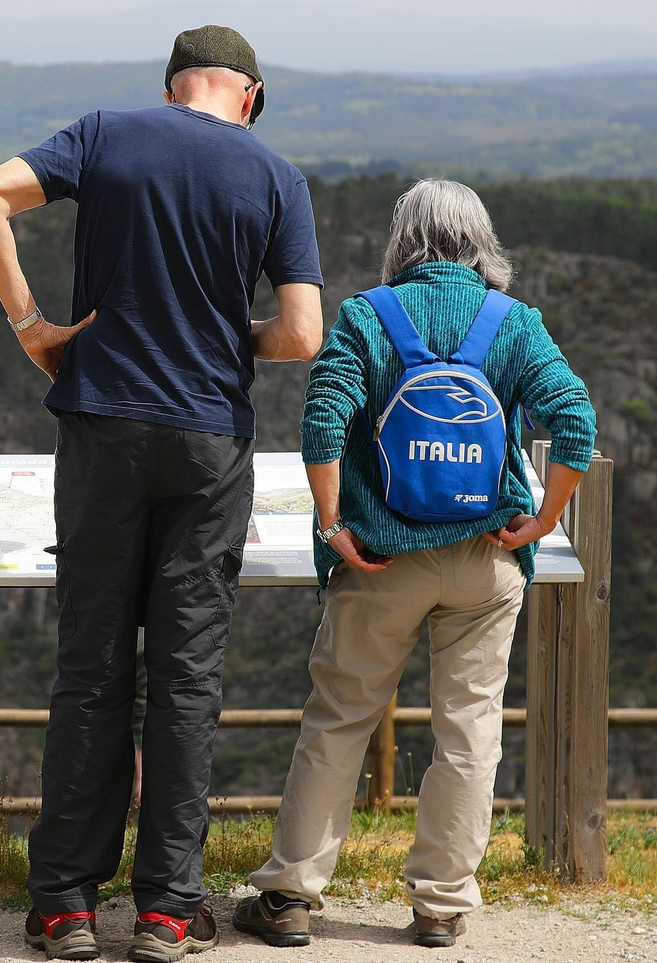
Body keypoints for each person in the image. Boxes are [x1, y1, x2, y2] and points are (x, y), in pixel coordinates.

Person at [0, 25, 324, 963]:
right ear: (249, 95)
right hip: (209, 441)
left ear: (173, 90)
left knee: (91, 672)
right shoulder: (277, 176)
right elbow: (302, 336)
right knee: (186, 677)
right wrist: (217, 335)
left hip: (102, 426)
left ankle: (65, 907)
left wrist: (32, 324)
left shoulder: (106, 133)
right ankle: (167, 910)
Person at [231, 179, 597, 950]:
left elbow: (324, 415)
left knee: (339, 721)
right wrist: (547, 516)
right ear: (481, 243)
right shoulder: (515, 324)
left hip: (379, 559)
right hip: (485, 559)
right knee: (468, 731)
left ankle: (291, 896)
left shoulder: (369, 316)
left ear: (404, 239)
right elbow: (573, 417)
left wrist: (333, 522)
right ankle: (440, 905)